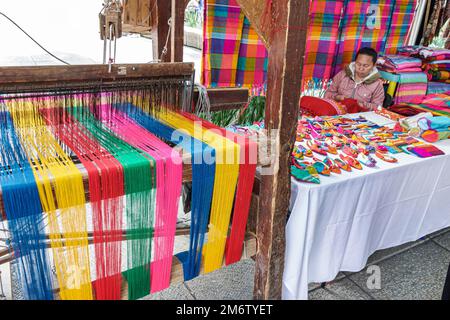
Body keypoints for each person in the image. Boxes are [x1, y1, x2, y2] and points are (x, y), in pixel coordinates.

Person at [324, 47, 385, 113]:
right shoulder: (343, 74)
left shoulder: (377, 84)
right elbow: (327, 94)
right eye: (358, 64)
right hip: (337, 113)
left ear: (374, 65)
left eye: (366, 66)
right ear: (355, 62)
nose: (361, 68)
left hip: (360, 118)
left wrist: (361, 104)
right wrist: (337, 97)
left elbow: (378, 108)